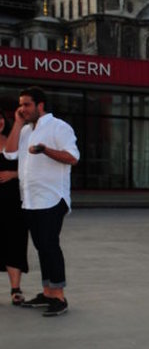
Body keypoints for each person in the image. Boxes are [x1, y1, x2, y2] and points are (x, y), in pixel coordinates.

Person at [4, 87, 80, 316]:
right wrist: (17, 124)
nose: (22, 109)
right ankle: (47, 293)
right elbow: (9, 154)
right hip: (30, 200)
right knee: (41, 247)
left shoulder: (59, 127)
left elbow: (73, 157)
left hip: (52, 198)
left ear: (40, 105)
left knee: (49, 245)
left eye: (26, 104)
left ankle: (59, 297)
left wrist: (45, 150)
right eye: (20, 105)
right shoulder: (25, 130)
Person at [0, 109, 29, 304]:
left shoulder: (16, 140)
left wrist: (13, 174)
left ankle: (15, 289)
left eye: (0, 118)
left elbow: (30, 167)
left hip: (14, 201)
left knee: (15, 242)